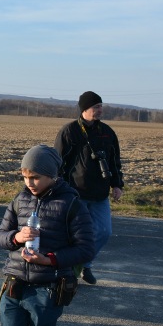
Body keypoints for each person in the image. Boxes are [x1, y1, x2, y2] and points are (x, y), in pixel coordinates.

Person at [0, 145, 94, 326]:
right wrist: (16, 237)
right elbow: (0, 236)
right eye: (25, 176)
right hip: (15, 283)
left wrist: (49, 259)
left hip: (48, 288)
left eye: (36, 177)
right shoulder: (20, 200)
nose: (29, 182)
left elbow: (85, 248)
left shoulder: (71, 204)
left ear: (52, 175)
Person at [53, 91, 124, 285]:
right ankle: (69, 269)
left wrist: (117, 184)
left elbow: (114, 161)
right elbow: (58, 162)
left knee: (104, 231)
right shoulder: (70, 131)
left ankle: (85, 264)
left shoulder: (107, 132)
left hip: (100, 195)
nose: (100, 110)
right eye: (96, 107)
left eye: (101, 106)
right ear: (85, 109)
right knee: (75, 234)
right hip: (76, 194)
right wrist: (58, 187)